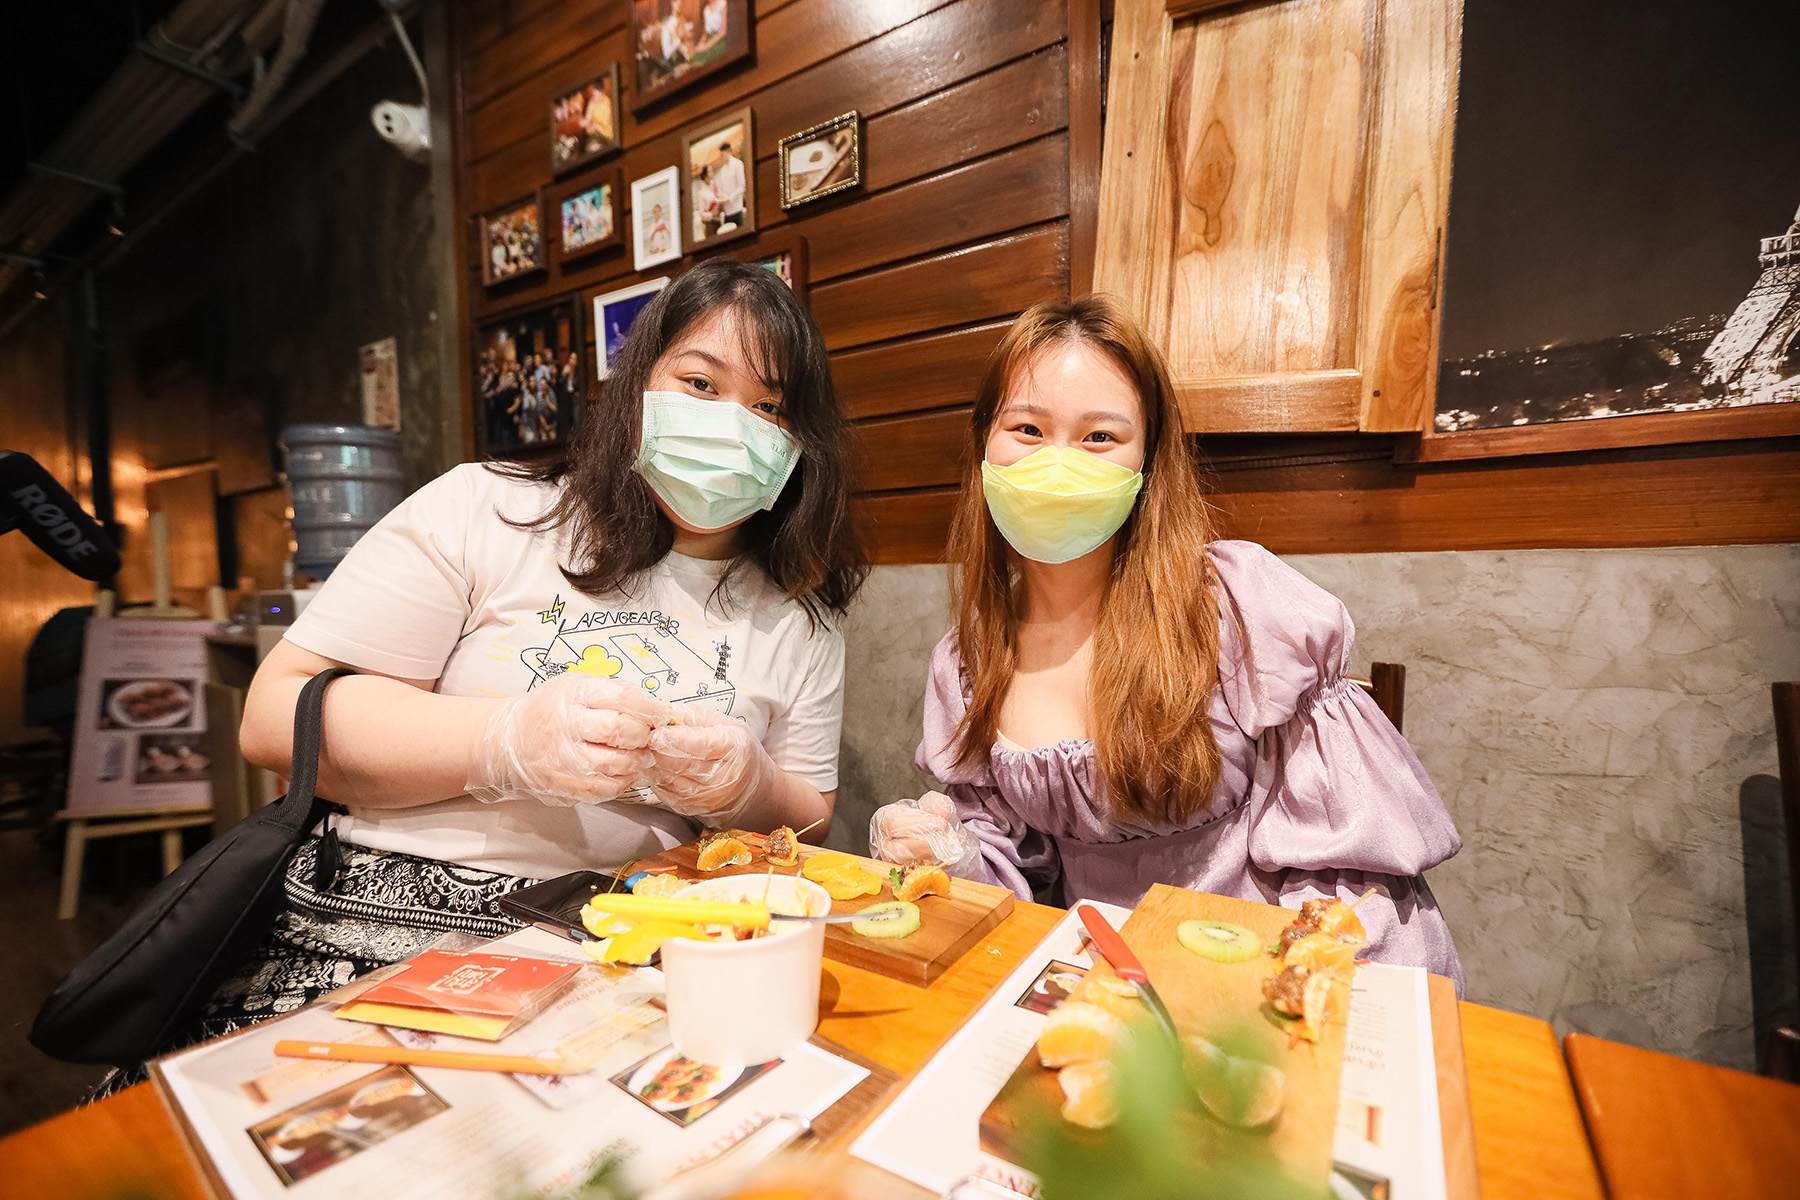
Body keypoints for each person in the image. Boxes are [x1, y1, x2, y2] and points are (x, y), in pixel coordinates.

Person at [184, 259, 864, 1053]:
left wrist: (745, 786)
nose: (731, 423)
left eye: (769, 407)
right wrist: (505, 741)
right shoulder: (489, 507)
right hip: (377, 914)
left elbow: (809, 818)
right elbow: (273, 719)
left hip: (632, 935)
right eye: (701, 385)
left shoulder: (799, 612)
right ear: (639, 384)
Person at [868, 297, 1464, 984]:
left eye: (1099, 437)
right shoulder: (969, 660)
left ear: (1147, 462)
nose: (1058, 462)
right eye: (1028, 428)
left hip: (1256, 977)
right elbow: (1019, 873)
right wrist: (949, 853)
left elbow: (1355, 890)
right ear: (984, 445)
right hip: (1097, 985)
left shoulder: (1239, 609)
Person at [711, 141, 746, 232]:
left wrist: (730, 198)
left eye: (722, 154)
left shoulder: (738, 164)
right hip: (727, 212)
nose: (721, 157)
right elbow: (720, 188)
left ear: (728, 152)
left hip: (736, 209)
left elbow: (741, 186)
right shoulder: (723, 169)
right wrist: (721, 197)